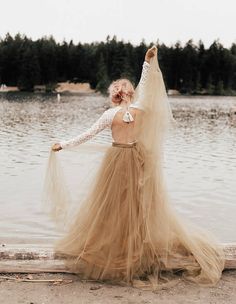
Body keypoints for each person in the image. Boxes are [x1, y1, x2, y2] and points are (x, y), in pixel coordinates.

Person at [45, 46, 225, 290]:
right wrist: (147, 62)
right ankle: (134, 251)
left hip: (119, 159)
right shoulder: (138, 108)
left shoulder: (113, 114)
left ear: (114, 95)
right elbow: (145, 84)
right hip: (136, 159)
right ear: (129, 93)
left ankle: (119, 251)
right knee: (136, 205)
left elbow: (87, 134)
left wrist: (63, 145)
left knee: (116, 207)